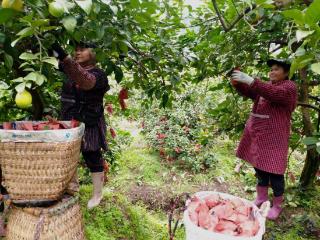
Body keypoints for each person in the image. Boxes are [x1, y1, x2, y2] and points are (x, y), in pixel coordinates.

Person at [231, 59, 297, 220]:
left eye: (276, 69)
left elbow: (273, 94)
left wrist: (251, 80)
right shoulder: (268, 85)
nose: (272, 72)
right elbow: (253, 92)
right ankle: (261, 197)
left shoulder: (289, 88)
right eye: (271, 69)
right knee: (259, 167)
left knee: (275, 172)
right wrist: (239, 82)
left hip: (275, 139)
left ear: (287, 73)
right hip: (260, 135)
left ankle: (277, 205)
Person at [51, 41, 110, 209]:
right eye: (75, 50)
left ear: (93, 52)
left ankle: (97, 194)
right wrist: (51, 48)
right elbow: (57, 63)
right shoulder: (69, 69)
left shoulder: (99, 74)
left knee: (92, 154)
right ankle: (71, 189)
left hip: (89, 120)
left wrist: (64, 57)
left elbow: (85, 80)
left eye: (82, 49)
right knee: (68, 155)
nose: (77, 52)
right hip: (69, 120)